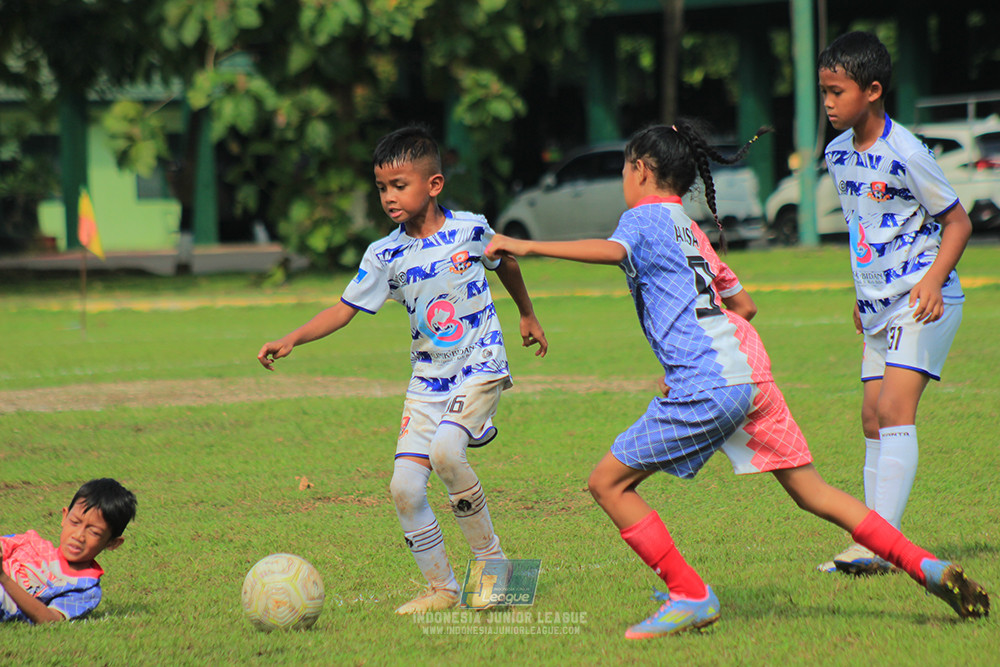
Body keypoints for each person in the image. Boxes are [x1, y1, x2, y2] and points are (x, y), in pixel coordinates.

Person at [484, 120, 990, 638]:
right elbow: (742, 306)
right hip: (748, 374)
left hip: (709, 385)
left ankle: (690, 595)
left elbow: (613, 251)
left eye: (623, 168)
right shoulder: (689, 227)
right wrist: (698, 352)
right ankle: (925, 567)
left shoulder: (640, 219)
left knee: (607, 483)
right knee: (813, 492)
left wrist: (524, 246)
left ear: (639, 169)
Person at [257, 125, 548, 615]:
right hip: (427, 379)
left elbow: (507, 262)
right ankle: (443, 588)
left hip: (480, 364)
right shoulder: (384, 253)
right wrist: (292, 338)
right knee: (404, 487)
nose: (389, 197)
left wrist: (526, 313)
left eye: (399, 185)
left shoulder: (470, 229)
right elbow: (344, 308)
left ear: (433, 185)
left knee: (447, 455)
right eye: (381, 188)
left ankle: (497, 573)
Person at [815, 31, 973, 574]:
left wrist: (931, 281)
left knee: (892, 410)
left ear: (873, 90)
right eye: (824, 93)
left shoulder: (906, 151)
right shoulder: (837, 154)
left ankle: (878, 544)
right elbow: (865, 229)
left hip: (924, 300)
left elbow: (958, 221)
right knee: (870, 418)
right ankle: (876, 542)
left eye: (837, 92)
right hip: (878, 305)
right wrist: (862, 297)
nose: (829, 103)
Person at [1, 478, 137, 624]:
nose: (78, 536)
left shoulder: (85, 589)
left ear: (112, 543)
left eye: (94, 532)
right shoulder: (29, 542)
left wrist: (3, 577)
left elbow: (50, 619)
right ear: (65, 516)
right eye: (75, 522)